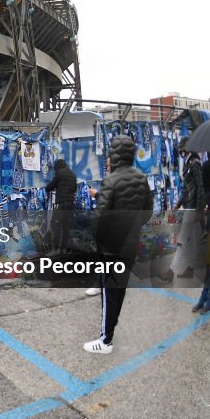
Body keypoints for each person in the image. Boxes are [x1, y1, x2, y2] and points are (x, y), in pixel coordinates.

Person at [84, 136, 153, 354]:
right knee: (119, 290)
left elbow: (102, 218)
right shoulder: (142, 178)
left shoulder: (111, 181)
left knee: (109, 292)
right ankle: (110, 331)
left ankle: (106, 341)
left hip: (111, 247)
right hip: (130, 244)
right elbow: (148, 212)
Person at [161, 141, 203, 281]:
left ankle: (171, 272)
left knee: (183, 239)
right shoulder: (189, 161)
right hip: (189, 205)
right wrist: (179, 203)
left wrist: (198, 208)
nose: (179, 150)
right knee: (191, 241)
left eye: (181, 148)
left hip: (192, 207)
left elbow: (199, 186)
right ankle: (190, 269)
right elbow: (188, 188)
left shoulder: (194, 162)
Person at [44, 158, 77, 250]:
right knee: (66, 227)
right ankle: (64, 248)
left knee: (56, 225)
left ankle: (55, 249)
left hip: (61, 204)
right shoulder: (73, 175)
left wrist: (46, 188)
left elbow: (51, 186)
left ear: (57, 167)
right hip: (70, 204)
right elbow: (74, 189)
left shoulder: (59, 173)